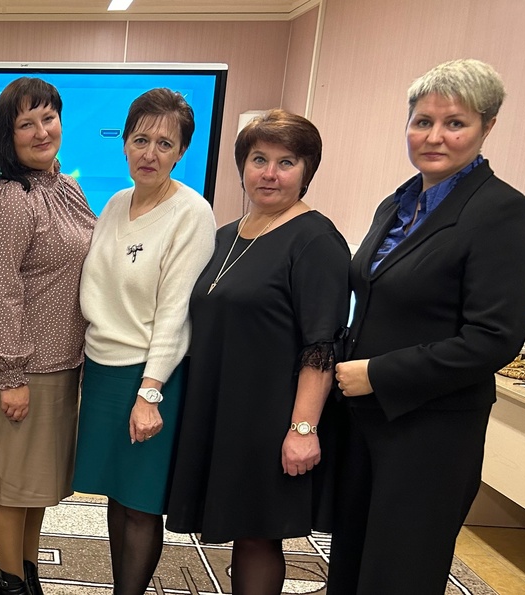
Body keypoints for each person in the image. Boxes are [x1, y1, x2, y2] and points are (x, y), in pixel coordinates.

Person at [330, 59, 525, 595]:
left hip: (431, 432)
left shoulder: (504, 213)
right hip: (365, 421)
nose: (434, 136)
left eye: (455, 123)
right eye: (423, 121)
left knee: (399, 573)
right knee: (351, 563)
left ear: (487, 127)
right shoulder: (397, 203)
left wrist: (378, 373)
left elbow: (494, 337)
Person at [166, 110, 349, 595]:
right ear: (242, 166)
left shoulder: (316, 239)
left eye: (286, 162)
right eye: (258, 159)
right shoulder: (226, 235)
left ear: (307, 170)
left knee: (257, 535)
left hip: (271, 417)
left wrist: (303, 429)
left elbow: (321, 346)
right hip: (223, 409)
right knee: (238, 527)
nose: (270, 173)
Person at [72, 88, 215, 594]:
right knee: (117, 493)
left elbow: (176, 313)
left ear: (181, 152)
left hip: (151, 376)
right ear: (125, 144)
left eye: (164, 143)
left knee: (141, 502)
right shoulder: (115, 203)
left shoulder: (191, 213)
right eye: (140, 140)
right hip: (103, 369)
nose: (149, 153)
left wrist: (150, 392)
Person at [0, 77, 96, 595]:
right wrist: (11, 374)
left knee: (37, 484)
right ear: (8, 136)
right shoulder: (8, 200)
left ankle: (28, 572)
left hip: (63, 362)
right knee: (13, 483)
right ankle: (10, 582)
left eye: (49, 118)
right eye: (27, 123)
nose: (42, 131)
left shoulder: (66, 187)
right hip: (20, 369)